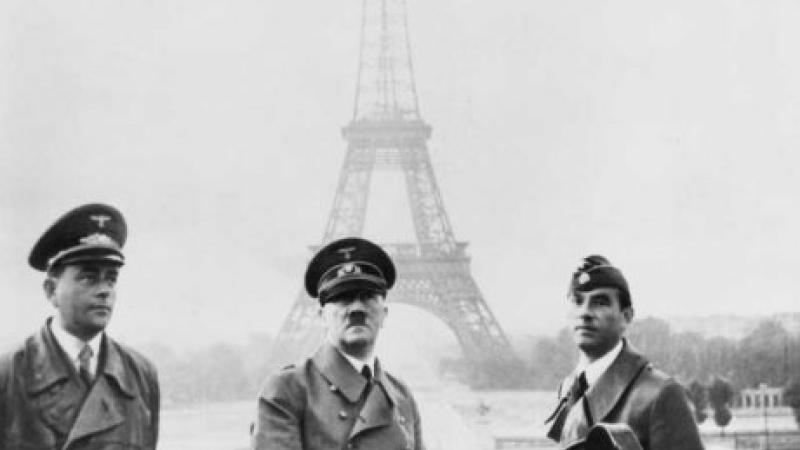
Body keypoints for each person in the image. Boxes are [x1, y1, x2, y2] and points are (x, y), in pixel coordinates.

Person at [0, 203, 160, 450]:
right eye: (89, 278)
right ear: (52, 291)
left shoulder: (140, 374)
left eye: (111, 279)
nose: (105, 290)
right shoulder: (10, 373)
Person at [252, 237, 425, 450]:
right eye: (343, 298)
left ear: (384, 314)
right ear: (322, 316)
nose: (356, 309)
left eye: (368, 297)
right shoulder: (287, 390)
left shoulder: (402, 396)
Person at [545, 255, 703, 450]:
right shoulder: (570, 388)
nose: (584, 312)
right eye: (577, 301)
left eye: (600, 302)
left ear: (626, 317)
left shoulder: (662, 394)